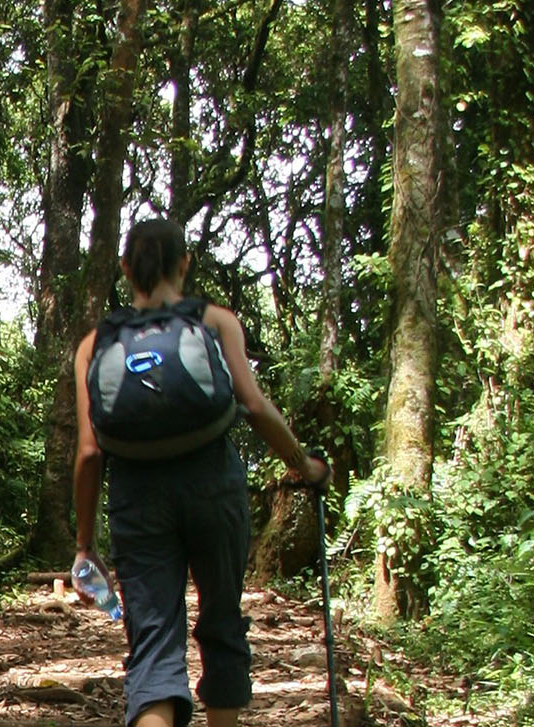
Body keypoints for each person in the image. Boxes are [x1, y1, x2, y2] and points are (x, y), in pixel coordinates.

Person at [70, 219, 330, 727]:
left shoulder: (94, 344)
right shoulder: (215, 321)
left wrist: (84, 545)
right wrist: (305, 466)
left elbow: (88, 452)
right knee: (222, 624)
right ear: (184, 263)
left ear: (125, 268)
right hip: (214, 485)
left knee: (153, 646)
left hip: (137, 496)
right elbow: (254, 406)